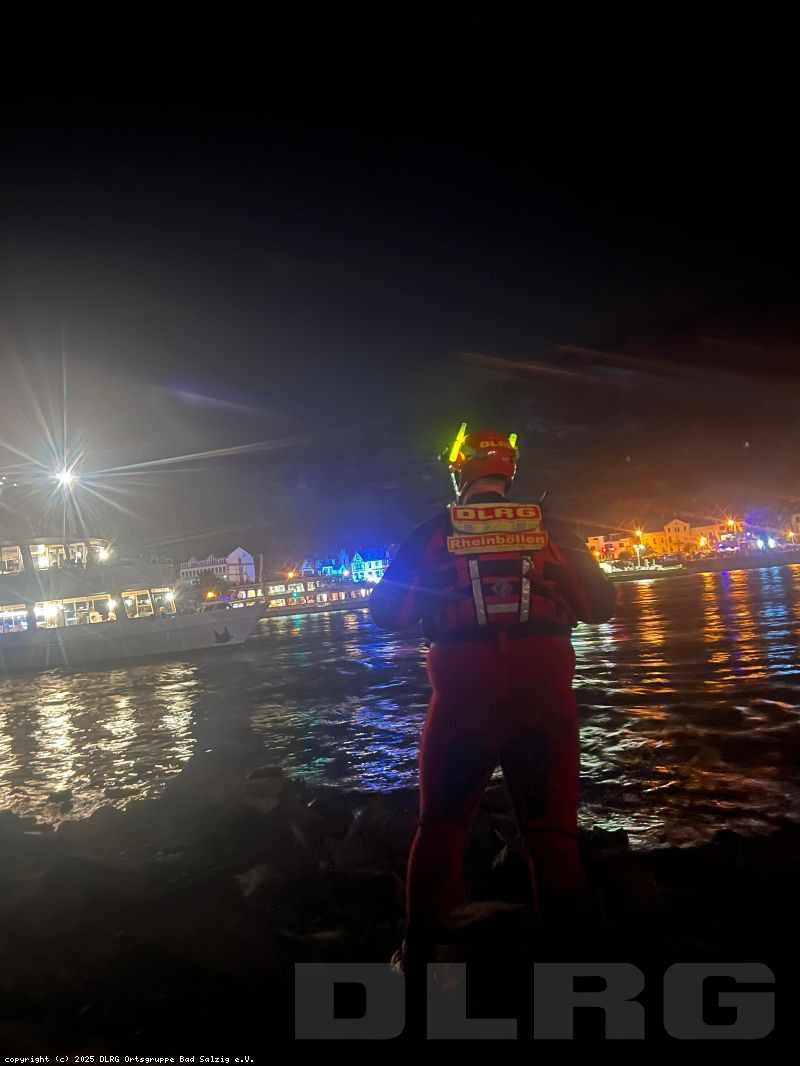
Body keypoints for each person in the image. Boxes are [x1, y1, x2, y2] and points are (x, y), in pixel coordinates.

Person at [370, 428, 617, 969]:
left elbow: (387, 613)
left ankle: (419, 959)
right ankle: (578, 971)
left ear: (459, 473)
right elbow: (601, 605)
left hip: (462, 703)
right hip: (544, 704)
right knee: (552, 837)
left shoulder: (434, 532)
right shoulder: (548, 526)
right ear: (510, 471)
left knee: (441, 825)